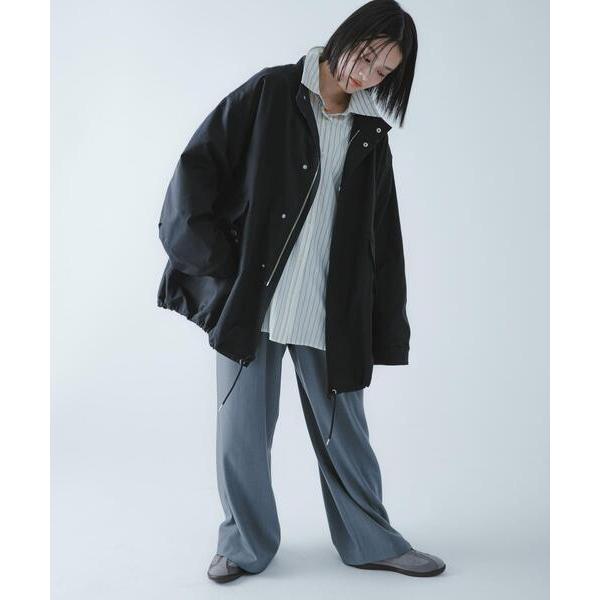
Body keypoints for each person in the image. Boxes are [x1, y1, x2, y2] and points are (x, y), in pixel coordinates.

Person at [157, 0, 446, 584]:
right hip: (253, 302)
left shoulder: (369, 133)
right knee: (241, 434)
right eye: (368, 55)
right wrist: (220, 267)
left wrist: (385, 325)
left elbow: (384, 240)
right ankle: (242, 545)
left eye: (384, 71)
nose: (367, 73)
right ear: (348, 35)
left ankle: (371, 540)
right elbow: (196, 169)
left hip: (328, 306)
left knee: (347, 434)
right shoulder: (270, 93)